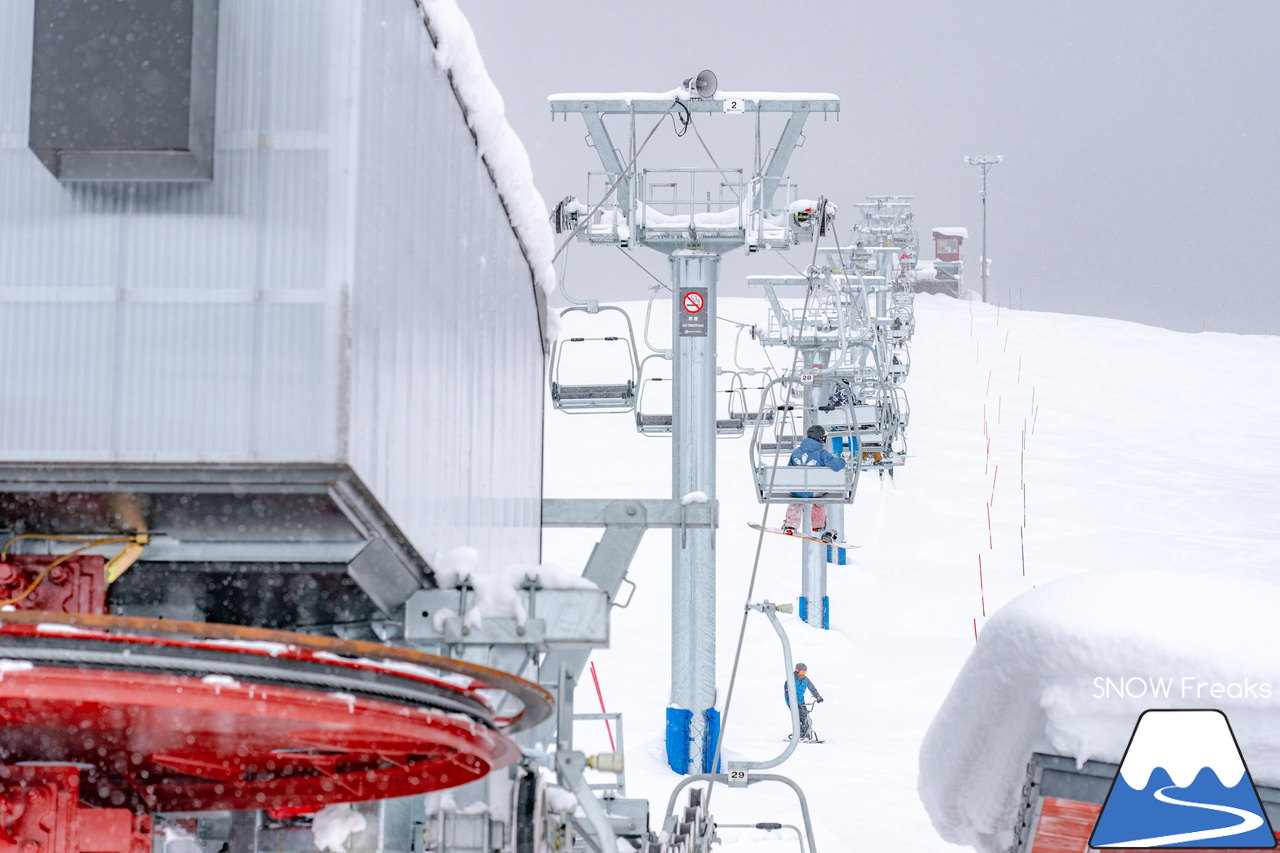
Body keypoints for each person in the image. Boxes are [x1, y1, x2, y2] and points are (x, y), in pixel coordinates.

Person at [782, 425, 845, 543]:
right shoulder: (822, 453)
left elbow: (789, 470)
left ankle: (790, 525)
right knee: (820, 501)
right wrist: (842, 461)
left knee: (796, 500)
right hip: (814, 491)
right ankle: (818, 525)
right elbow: (836, 466)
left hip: (797, 490)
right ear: (820, 439)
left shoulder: (796, 452)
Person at [783, 662, 823, 742]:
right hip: (792, 702)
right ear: (797, 671)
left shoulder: (805, 679)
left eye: (804, 672)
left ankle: (805, 733)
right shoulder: (791, 679)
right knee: (798, 716)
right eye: (801, 672)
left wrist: (817, 696)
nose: (803, 674)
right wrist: (791, 699)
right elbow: (787, 689)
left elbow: (812, 688)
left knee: (805, 716)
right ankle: (800, 733)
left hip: (801, 700)